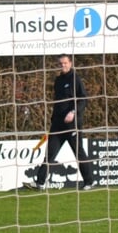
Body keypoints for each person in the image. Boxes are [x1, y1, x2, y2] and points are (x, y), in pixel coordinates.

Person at [28, 54, 95, 190]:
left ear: (70, 63)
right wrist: (53, 119)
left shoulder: (75, 79)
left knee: (78, 152)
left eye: (65, 63)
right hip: (58, 124)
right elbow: (58, 103)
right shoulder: (58, 80)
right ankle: (40, 182)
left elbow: (83, 98)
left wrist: (73, 112)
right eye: (60, 63)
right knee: (50, 153)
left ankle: (89, 181)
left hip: (72, 125)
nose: (63, 65)